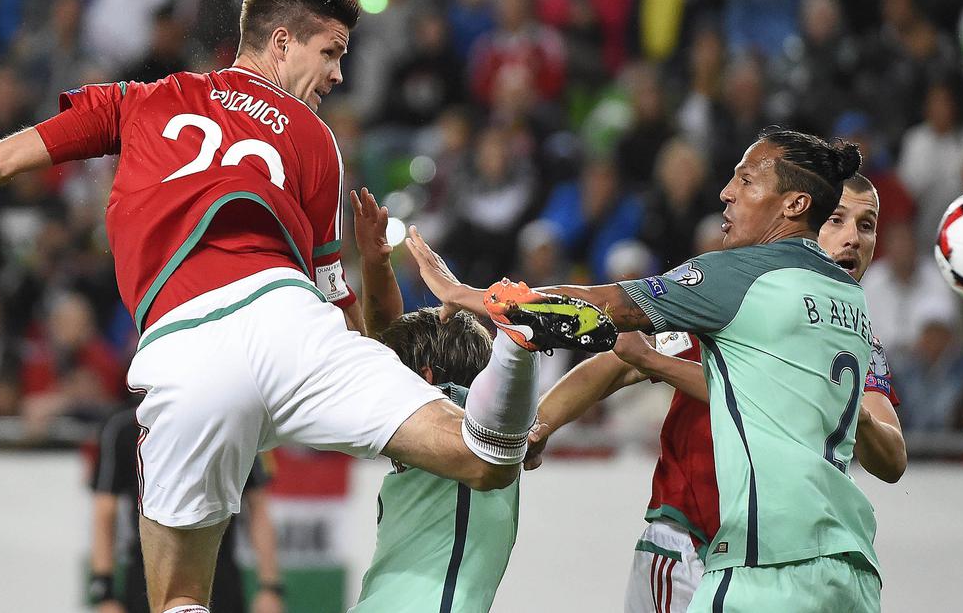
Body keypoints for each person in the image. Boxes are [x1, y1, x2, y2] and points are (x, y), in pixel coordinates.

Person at [0, 0, 568, 613]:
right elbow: (338, 310)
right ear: (280, 43)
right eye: (330, 53)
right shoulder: (314, 139)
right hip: (290, 321)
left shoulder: (136, 100)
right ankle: (514, 348)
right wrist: (391, 371)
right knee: (482, 460)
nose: (337, 74)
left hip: (187, 347)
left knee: (179, 594)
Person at [412, 129, 883, 611]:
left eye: (745, 180)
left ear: (794, 205)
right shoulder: (854, 305)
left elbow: (600, 308)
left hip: (766, 564)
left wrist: (473, 297)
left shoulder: (741, 278)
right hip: (851, 567)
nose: (726, 192)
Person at [524, 172, 905, 612]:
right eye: (837, 220)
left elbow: (892, 460)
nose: (852, 238)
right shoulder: (741, 297)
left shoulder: (863, 340)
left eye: (867, 225)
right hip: (693, 539)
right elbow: (617, 364)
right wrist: (540, 422)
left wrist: (851, 410)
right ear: (803, 220)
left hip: (792, 561)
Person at [348, 188, 526, 613]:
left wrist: (471, 297)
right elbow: (388, 342)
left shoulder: (468, 419)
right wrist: (376, 263)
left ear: (426, 379)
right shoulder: (466, 422)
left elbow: (388, 352)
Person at [89, 404, 283, 613]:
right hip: (149, 576)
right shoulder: (123, 428)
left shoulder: (232, 422)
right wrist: (105, 592)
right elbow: (105, 512)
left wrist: (270, 587)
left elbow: (258, 507)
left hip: (217, 577)